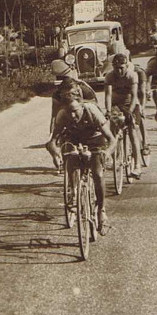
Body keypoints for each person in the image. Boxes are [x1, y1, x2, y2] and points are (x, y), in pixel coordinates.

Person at [46, 98, 116, 235]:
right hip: (74, 139)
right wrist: (55, 154)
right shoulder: (62, 115)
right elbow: (52, 141)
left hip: (95, 140)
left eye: (75, 111)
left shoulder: (92, 112)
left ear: (81, 107)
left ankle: (101, 211)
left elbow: (112, 139)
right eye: (69, 112)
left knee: (97, 173)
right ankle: (74, 190)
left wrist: (107, 153)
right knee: (70, 158)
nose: (72, 116)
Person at [104, 53, 142, 179]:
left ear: (126, 66)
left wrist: (130, 112)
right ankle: (114, 154)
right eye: (116, 68)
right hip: (116, 104)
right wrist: (108, 111)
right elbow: (108, 95)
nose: (119, 70)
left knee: (132, 130)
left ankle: (137, 165)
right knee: (112, 127)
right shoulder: (109, 76)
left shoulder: (132, 75)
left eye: (122, 67)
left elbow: (134, 95)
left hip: (130, 104)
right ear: (113, 67)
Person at [50, 59, 97, 133]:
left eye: (72, 93)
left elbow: (95, 107)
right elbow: (54, 115)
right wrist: (52, 134)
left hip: (87, 123)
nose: (69, 95)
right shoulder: (57, 94)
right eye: (65, 94)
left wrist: (81, 104)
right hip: (70, 126)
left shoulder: (84, 90)